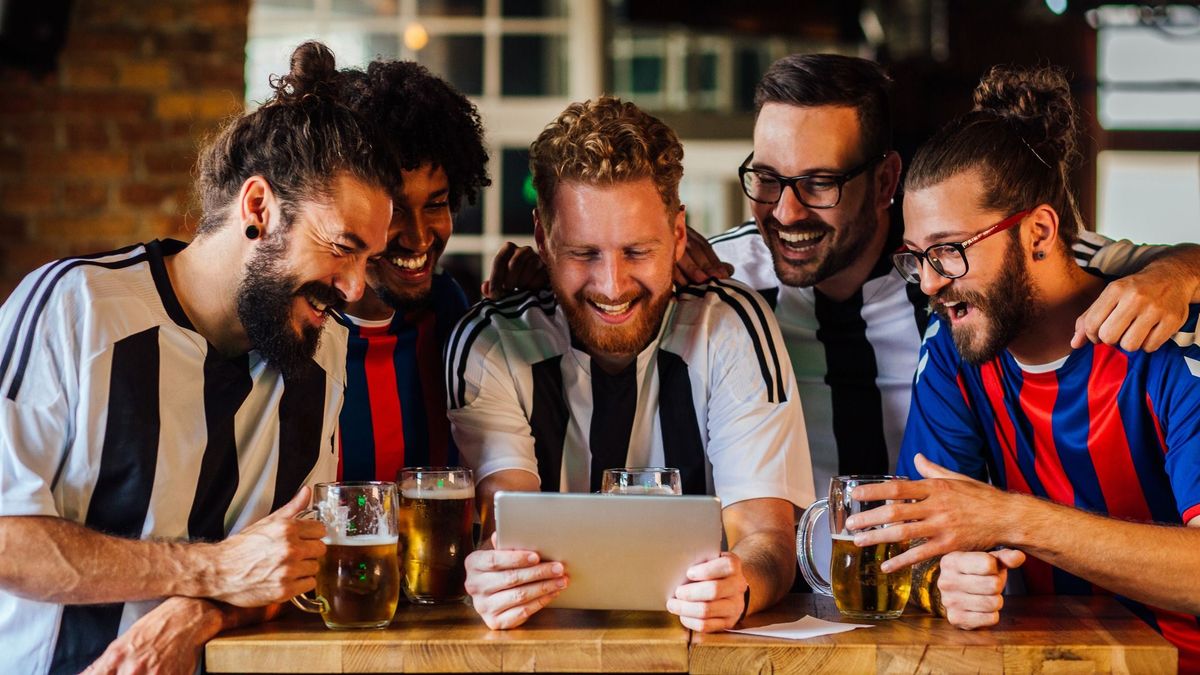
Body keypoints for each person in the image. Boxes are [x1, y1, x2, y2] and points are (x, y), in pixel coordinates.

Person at [487, 54, 1200, 498]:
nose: (785, 211)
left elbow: (1086, 266)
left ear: (885, 179)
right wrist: (542, 276)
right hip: (772, 594)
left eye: (819, 182)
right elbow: (608, 285)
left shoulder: (956, 271)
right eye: (766, 179)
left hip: (944, 583)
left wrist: (1183, 269)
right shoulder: (720, 271)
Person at [0, 42, 396, 673]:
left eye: (367, 260)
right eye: (343, 247)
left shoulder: (324, 349)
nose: (354, 288)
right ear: (259, 208)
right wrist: (213, 569)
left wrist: (198, 610)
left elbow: (285, 564)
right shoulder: (75, 308)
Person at [843, 65, 1200, 672]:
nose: (929, 282)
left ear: (1038, 232)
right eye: (918, 258)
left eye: (949, 251)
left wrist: (1008, 519)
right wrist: (953, 576)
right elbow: (921, 543)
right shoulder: (955, 344)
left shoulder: (1170, 340)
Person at [446, 97, 813, 632]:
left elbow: (767, 538)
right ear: (544, 239)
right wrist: (500, 577)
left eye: (637, 251)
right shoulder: (493, 341)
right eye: (584, 253)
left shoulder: (730, 326)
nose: (612, 286)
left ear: (679, 236)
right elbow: (508, 525)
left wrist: (741, 585)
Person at [331, 60, 491, 481]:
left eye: (435, 204)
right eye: (395, 209)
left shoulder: (448, 308)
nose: (419, 239)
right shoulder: (298, 328)